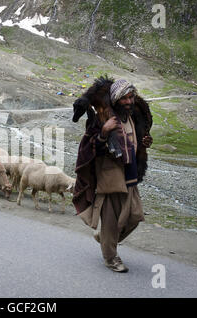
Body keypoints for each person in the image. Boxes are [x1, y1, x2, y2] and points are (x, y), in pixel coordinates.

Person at [72, 79, 153, 273]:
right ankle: (110, 258)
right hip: (110, 176)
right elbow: (87, 148)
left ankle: (106, 239)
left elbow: (134, 142)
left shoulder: (133, 117)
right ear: (115, 100)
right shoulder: (103, 119)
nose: (128, 101)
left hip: (131, 173)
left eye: (131, 97)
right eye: (124, 98)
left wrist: (145, 142)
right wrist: (103, 132)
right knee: (110, 220)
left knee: (134, 217)